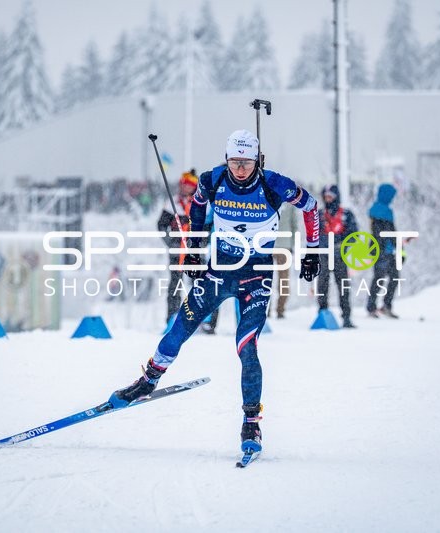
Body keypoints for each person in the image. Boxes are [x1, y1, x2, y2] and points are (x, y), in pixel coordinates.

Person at [107, 130, 321, 453]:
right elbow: (197, 205)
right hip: (219, 272)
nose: (239, 169)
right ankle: (147, 381)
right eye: (234, 161)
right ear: (226, 158)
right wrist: (193, 248)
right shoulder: (212, 180)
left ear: (257, 161)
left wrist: (312, 251)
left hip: (257, 278)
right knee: (180, 326)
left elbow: (311, 206)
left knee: (246, 347)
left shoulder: (274, 184)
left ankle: (251, 424)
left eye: (246, 163)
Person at [157, 170, 198, 322]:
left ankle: (198, 317)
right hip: (177, 251)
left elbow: (207, 226)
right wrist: (171, 242)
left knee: (198, 285)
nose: (186, 188)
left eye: (189, 186)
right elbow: (161, 225)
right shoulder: (172, 204)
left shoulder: (198, 203)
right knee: (175, 284)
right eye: (184, 185)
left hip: (195, 252)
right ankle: (172, 317)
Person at [316, 184, 358, 328]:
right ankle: (322, 313)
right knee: (322, 285)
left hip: (340, 256)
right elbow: (313, 235)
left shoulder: (346, 214)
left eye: (331, 197)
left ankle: (346, 316)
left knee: (343, 286)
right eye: (325, 197)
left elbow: (354, 235)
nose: (328, 199)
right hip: (323, 256)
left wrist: (341, 243)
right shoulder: (319, 215)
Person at [366, 183, 400, 319]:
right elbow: (380, 233)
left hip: (389, 251)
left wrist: (398, 246)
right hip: (381, 251)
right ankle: (372, 307)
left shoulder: (387, 211)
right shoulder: (377, 210)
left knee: (393, 277)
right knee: (379, 279)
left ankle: (385, 305)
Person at [270, 204, 298, 319]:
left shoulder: (266, 198)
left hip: (268, 245)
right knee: (283, 280)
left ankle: (265, 309)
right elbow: (294, 226)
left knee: (265, 279)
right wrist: (293, 245)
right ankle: (280, 309)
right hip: (284, 246)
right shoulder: (290, 203)